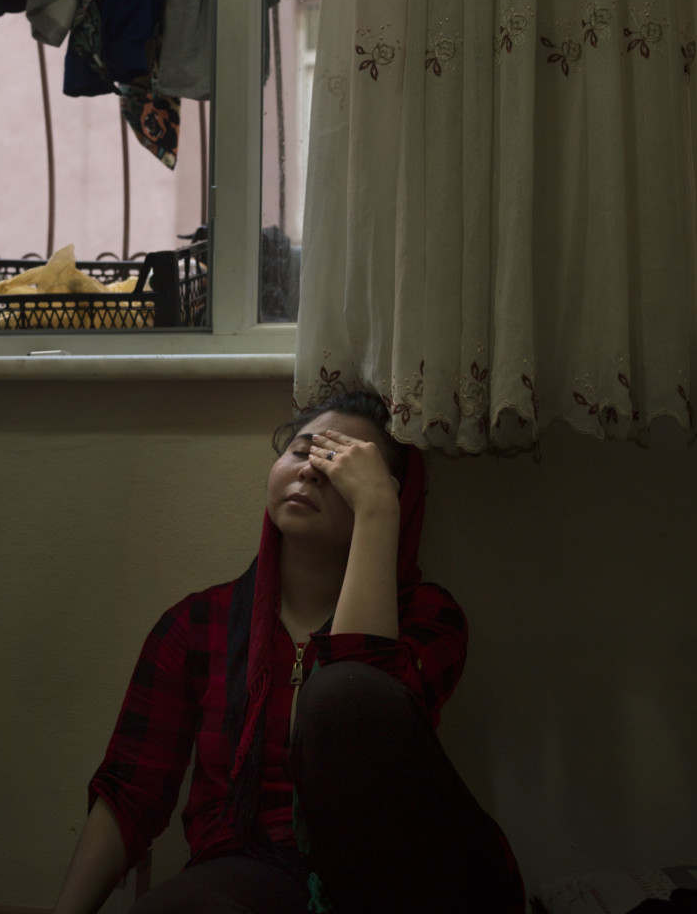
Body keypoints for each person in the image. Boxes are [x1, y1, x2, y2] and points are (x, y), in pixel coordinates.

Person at [49, 392, 525, 914]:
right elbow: (130, 794)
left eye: (343, 466)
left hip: (412, 870)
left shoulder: (430, 616)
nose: (313, 470)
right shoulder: (195, 625)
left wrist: (376, 512)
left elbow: (358, 715)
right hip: (252, 866)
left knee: (340, 693)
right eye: (302, 451)